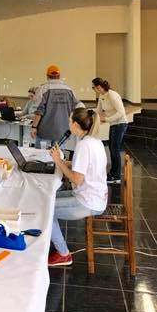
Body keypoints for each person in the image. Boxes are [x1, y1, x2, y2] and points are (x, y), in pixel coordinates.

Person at [47, 108, 108, 267]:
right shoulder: (94, 141)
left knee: (46, 209)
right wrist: (61, 160)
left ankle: (63, 254)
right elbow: (81, 166)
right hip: (94, 196)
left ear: (75, 124)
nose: (68, 124)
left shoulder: (83, 145)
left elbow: (76, 179)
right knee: (47, 198)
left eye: (69, 121)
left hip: (89, 201)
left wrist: (58, 161)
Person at [31, 65, 84, 147]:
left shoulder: (43, 89)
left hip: (44, 132)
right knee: (58, 154)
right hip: (62, 132)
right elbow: (79, 107)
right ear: (59, 76)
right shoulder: (69, 90)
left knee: (41, 154)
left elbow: (39, 111)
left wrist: (34, 127)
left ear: (47, 76)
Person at [93, 77, 127, 183]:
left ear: (99, 87)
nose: (93, 89)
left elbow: (121, 112)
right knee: (112, 149)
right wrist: (87, 111)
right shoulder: (101, 96)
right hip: (113, 124)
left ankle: (116, 176)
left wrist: (106, 119)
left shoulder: (112, 95)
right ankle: (113, 174)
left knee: (114, 149)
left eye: (93, 87)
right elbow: (98, 110)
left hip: (120, 124)